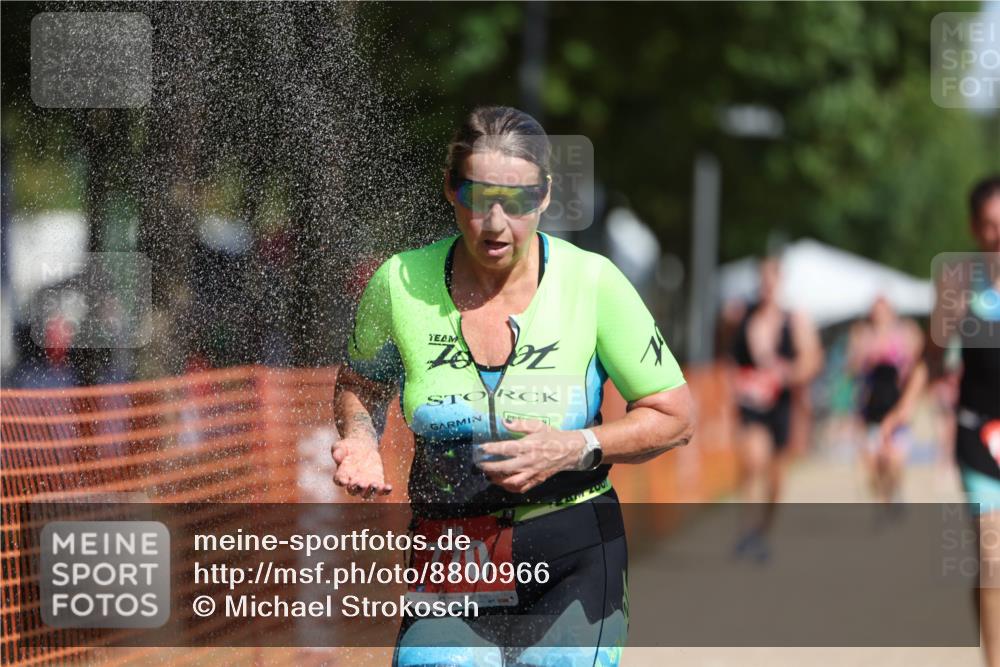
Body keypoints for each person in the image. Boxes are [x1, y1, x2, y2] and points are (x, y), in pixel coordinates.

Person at [332, 106, 694, 667]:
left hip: (573, 556)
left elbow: (675, 415)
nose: (497, 222)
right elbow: (361, 382)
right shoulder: (400, 284)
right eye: (479, 196)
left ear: (546, 197)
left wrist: (578, 445)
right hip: (450, 556)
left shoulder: (593, 283)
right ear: (451, 190)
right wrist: (359, 437)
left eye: (519, 199)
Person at [890, 175, 1000, 666]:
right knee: (994, 560)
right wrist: (901, 411)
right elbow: (933, 358)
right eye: (990, 225)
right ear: (974, 229)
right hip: (980, 433)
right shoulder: (959, 283)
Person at [725, 258, 823, 561]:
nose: (766, 286)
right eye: (762, 279)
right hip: (751, 405)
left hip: (781, 405)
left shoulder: (794, 320)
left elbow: (812, 360)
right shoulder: (742, 315)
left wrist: (786, 374)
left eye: (772, 280)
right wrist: (737, 382)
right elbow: (728, 354)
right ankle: (747, 530)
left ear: (779, 282)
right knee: (754, 459)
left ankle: (762, 531)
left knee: (776, 477)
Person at [846, 296, 925, 505]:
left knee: (894, 460)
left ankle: (892, 493)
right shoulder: (862, 334)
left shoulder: (906, 332)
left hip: (895, 405)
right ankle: (882, 499)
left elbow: (919, 365)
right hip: (870, 408)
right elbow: (851, 370)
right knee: (872, 461)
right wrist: (865, 356)